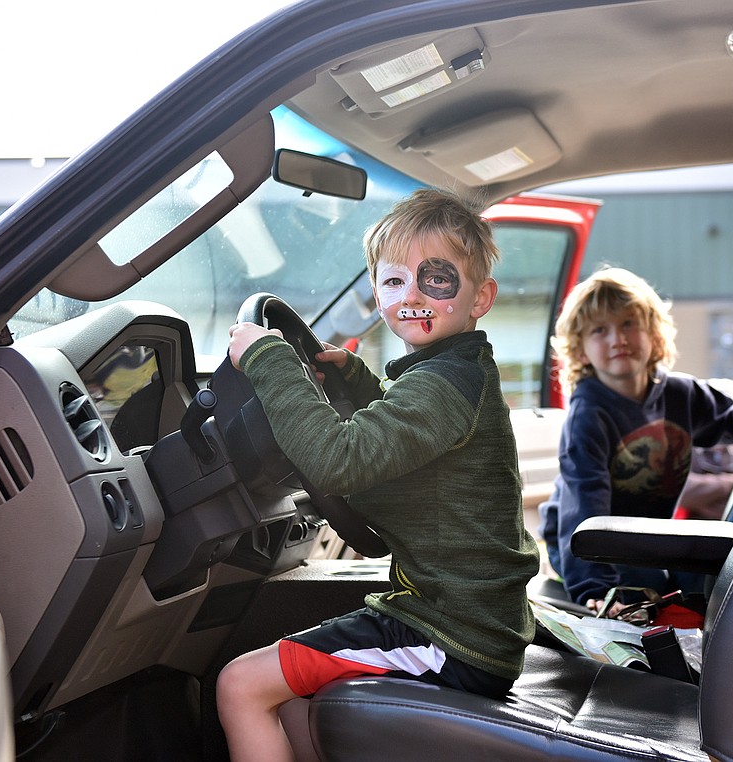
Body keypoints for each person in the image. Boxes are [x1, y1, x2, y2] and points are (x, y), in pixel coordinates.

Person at [216, 188, 539, 762]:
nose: (412, 295)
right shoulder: (452, 373)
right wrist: (358, 381)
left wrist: (269, 361)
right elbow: (406, 431)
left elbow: (338, 461)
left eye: (436, 278)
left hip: (452, 635)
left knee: (240, 685)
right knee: (290, 702)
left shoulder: (445, 384)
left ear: (481, 297)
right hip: (464, 617)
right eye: (394, 282)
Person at [537, 266, 733, 614]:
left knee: (704, 584)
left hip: (642, 537)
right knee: (647, 591)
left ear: (653, 333)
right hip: (586, 544)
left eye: (629, 323)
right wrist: (593, 587)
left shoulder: (679, 393)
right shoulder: (589, 414)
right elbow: (583, 503)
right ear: (579, 351)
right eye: (600, 330)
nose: (617, 338)